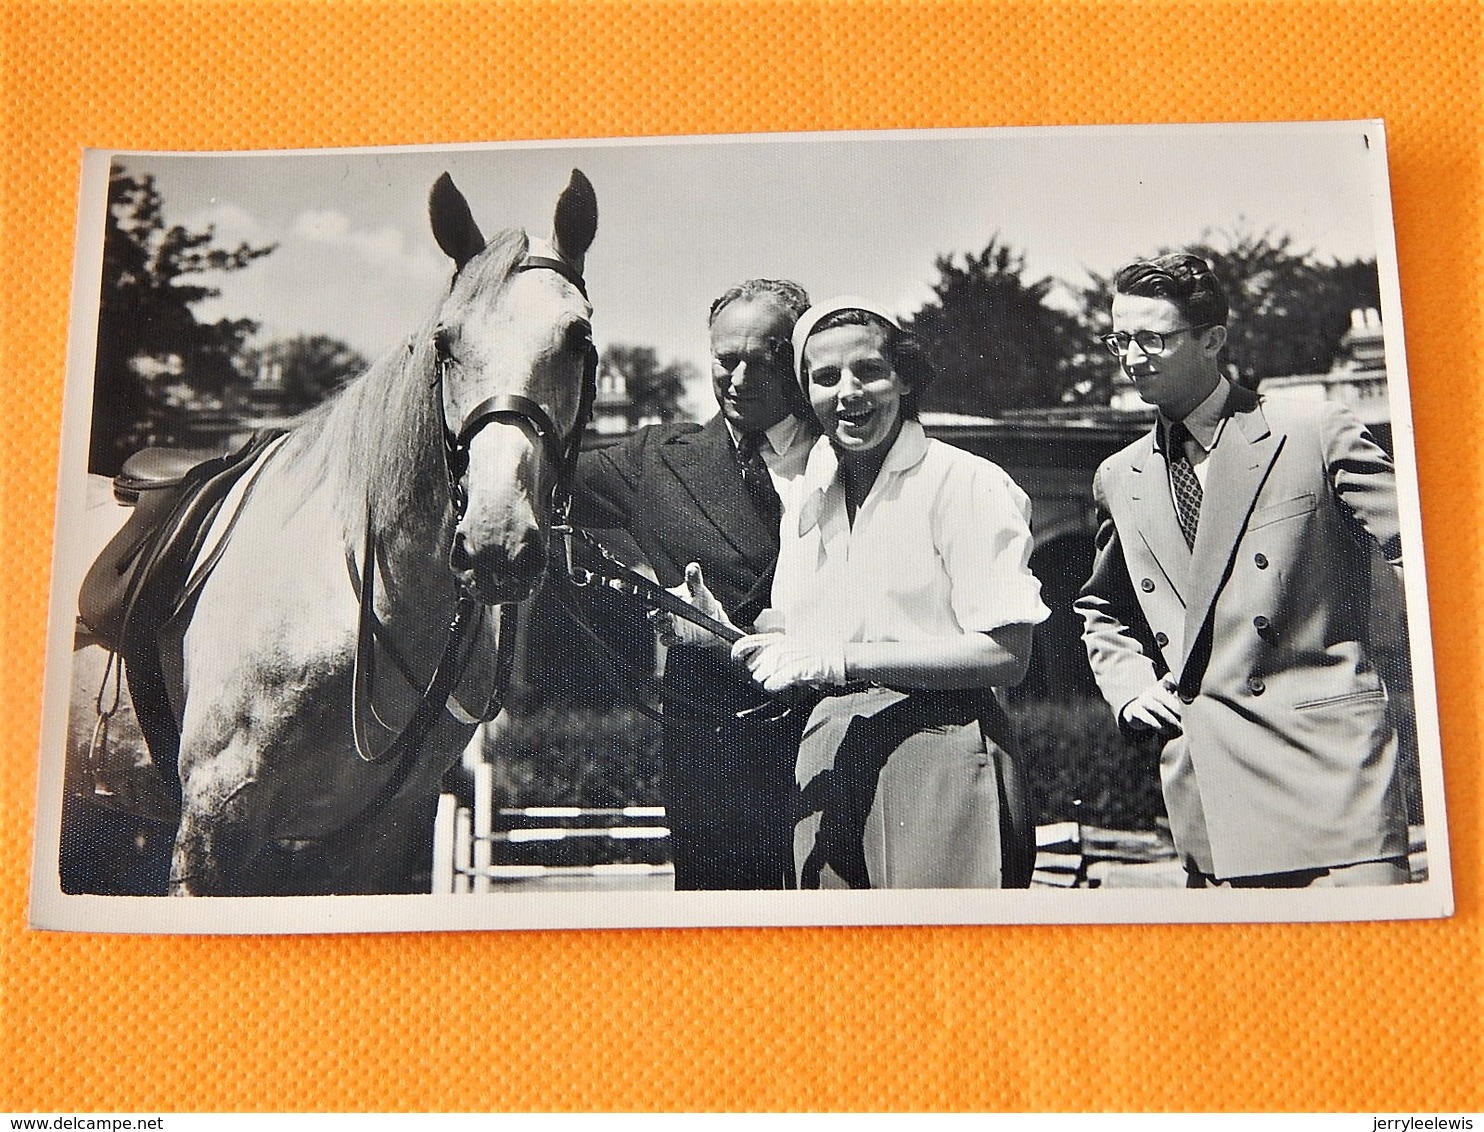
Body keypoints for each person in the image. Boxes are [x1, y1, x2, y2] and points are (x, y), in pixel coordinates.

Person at [1074, 253, 1410, 888]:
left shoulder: (1312, 429)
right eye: (1121, 338)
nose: (1132, 356)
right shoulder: (1119, 475)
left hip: (1333, 770)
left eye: (1153, 338)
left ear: (1212, 340)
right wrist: (1129, 686)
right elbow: (1103, 608)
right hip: (1209, 777)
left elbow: (1429, 554)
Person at [722, 297, 1048, 889]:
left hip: (941, 749)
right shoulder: (809, 494)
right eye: (824, 377)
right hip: (828, 756)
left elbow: (1007, 654)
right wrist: (720, 628)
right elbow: (800, 633)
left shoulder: (966, 483)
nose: (848, 392)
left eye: (868, 370)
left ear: (903, 375)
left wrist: (845, 660)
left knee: (945, 968)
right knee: (844, 971)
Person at [570, 278, 815, 890]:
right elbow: (534, 472)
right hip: (713, 743)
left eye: (765, 359)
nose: (740, 378)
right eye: (726, 360)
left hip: (834, 723)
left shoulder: (853, 450)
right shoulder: (655, 459)